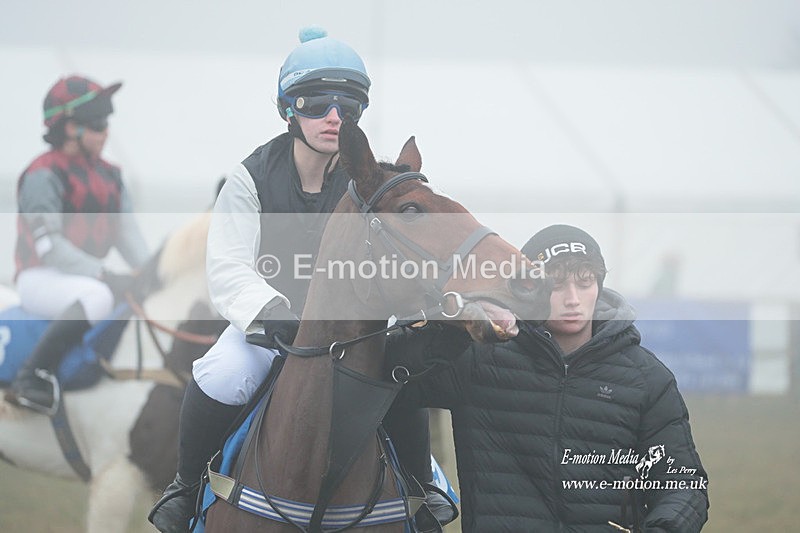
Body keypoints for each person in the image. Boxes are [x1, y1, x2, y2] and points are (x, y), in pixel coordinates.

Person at [149, 27, 453, 533]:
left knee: (398, 376)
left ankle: (422, 489)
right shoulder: (249, 178)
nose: (335, 117)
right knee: (221, 372)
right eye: (318, 103)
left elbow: (401, 251)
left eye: (349, 106)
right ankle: (184, 487)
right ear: (289, 109)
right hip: (273, 328)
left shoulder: (369, 179)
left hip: (355, 331)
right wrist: (273, 315)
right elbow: (228, 266)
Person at [386, 224, 709, 532]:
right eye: (556, 285)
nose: (572, 299)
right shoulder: (477, 359)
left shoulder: (646, 377)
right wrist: (446, 320)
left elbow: (683, 486)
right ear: (529, 288)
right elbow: (391, 373)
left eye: (585, 283)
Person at [7, 75, 150, 414]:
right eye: (98, 122)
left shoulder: (112, 176)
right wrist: (103, 274)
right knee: (98, 296)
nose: (106, 131)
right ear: (70, 128)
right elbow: (51, 249)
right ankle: (31, 376)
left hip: (82, 278)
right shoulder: (42, 174)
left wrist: (152, 273)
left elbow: (131, 240)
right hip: (40, 277)